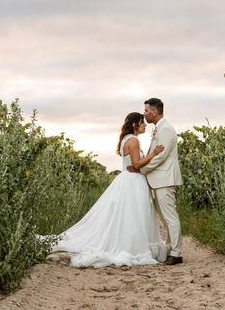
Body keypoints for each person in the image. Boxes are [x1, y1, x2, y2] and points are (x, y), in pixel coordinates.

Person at [46, 112, 168, 267]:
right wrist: (154, 154)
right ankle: (132, 246)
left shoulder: (125, 140)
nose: (145, 125)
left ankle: (128, 241)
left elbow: (132, 165)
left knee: (127, 215)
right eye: (142, 122)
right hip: (133, 182)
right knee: (134, 214)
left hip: (126, 179)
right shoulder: (134, 140)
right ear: (134, 125)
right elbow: (136, 164)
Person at [131, 97, 183, 265]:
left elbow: (160, 156)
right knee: (165, 217)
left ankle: (176, 253)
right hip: (159, 179)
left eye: (146, 111)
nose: (144, 114)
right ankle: (169, 249)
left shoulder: (166, 129)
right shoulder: (158, 129)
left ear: (154, 112)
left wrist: (142, 168)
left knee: (170, 217)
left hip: (165, 178)